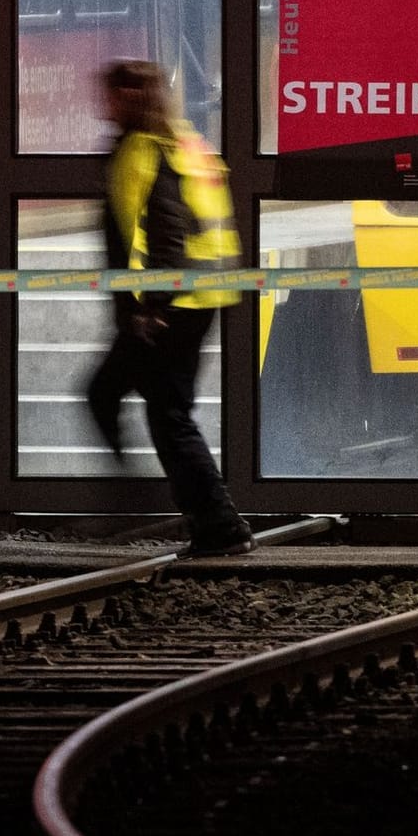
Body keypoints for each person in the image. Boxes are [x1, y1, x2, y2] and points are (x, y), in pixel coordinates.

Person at [87, 60, 255, 557]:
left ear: (123, 98)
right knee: (109, 392)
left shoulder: (143, 150)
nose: (103, 104)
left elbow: (165, 229)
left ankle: (219, 525)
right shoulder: (184, 140)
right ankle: (135, 491)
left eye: (109, 95)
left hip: (171, 303)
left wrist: (152, 305)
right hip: (197, 296)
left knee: (167, 414)